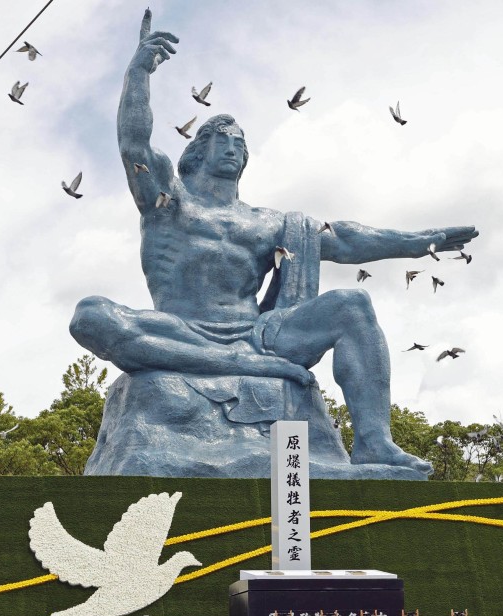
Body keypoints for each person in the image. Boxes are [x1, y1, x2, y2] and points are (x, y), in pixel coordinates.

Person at [70, 14, 478, 469]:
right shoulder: (170, 202)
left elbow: (343, 239)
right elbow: (134, 147)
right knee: (90, 314)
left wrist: (423, 241)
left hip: (258, 336)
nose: (234, 148)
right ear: (198, 150)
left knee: (352, 305)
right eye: (223, 140)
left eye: (241, 144)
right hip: (181, 328)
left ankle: (374, 442)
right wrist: (138, 74)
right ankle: (230, 365)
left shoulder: (267, 223)